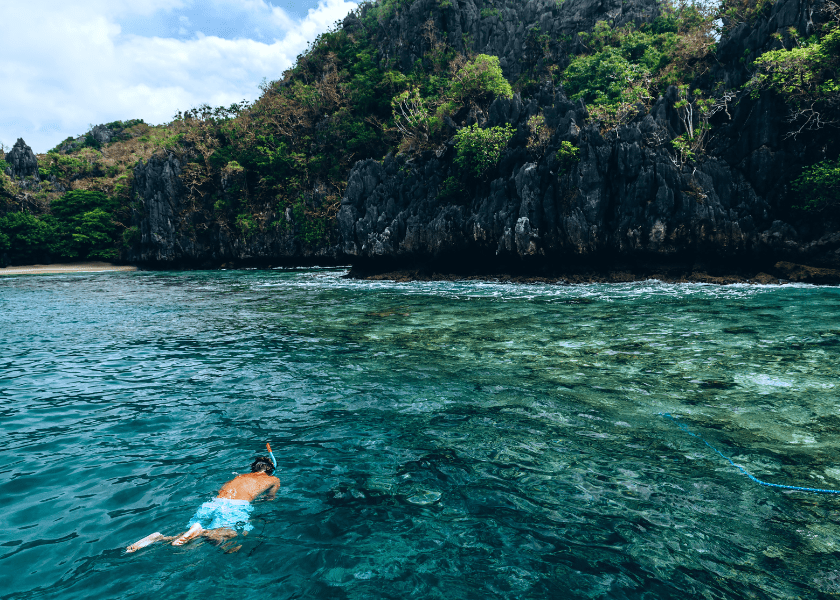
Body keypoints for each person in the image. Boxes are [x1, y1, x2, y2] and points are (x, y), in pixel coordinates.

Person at [126, 456, 280, 553]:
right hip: (236, 506)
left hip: (214, 503)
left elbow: (223, 490)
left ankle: (161, 538)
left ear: (254, 468)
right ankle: (202, 532)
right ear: (269, 470)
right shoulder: (273, 480)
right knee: (232, 536)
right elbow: (270, 498)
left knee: (217, 543)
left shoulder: (239, 477)